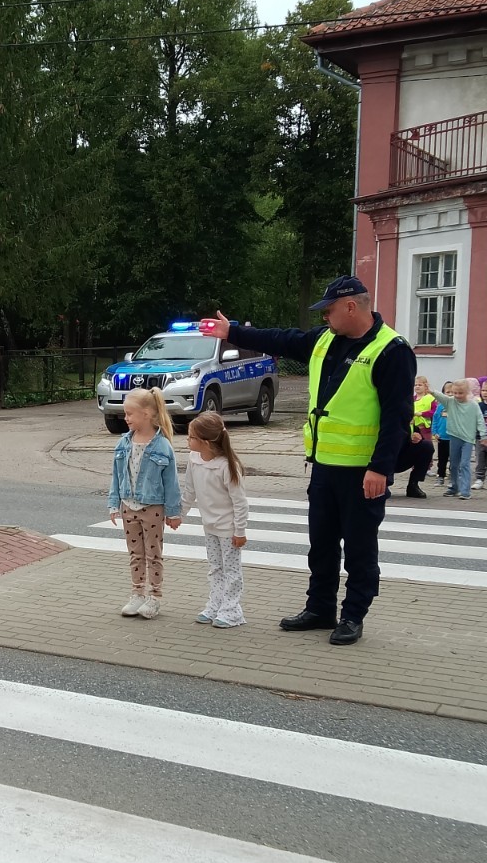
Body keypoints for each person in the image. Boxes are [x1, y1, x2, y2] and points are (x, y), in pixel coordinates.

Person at [202, 276, 415, 646]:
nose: (326, 316)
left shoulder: (390, 350)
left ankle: (352, 616)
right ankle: (319, 608)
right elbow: (280, 338)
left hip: (363, 472)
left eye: (330, 309)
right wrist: (231, 331)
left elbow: (397, 416)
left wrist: (380, 467)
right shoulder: (325, 340)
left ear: (351, 306)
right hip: (324, 467)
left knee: (360, 550)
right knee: (322, 544)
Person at [107, 387, 182, 618]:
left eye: (130, 414)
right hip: (129, 507)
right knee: (135, 554)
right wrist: (113, 504)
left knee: (153, 554)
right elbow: (116, 476)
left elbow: (171, 482)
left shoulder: (162, 446)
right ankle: (137, 593)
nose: (126, 418)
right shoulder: (123, 443)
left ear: (147, 414)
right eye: (125, 414)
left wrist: (173, 512)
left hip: (153, 509)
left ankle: (154, 597)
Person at [181, 411, 249, 628]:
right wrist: (179, 515)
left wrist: (240, 531)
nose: (187, 440)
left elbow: (240, 502)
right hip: (209, 526)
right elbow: (189, 491)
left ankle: (232, 610)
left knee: (231, 571)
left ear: (206, 442)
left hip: (228, 529)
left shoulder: (227, 466)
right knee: (215, 568)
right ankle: (216, 604)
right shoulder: (194, 459)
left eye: (191, 437)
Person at [436, 379, 487, 500]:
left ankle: (465, 491)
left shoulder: (473, 405)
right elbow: (440, 396)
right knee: (453, 465)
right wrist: (430, 390)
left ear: (467, 392)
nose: (457, 396)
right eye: (455, 393)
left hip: (468, 439)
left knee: (464, 464)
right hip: (454, 436)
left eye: (460, 393)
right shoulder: (450, 402)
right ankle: (454, 487)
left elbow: (480, 420)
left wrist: (484, 435)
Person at [396, 375, 436, 498]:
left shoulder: (409, 404)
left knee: (427, 446)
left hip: (403, 453)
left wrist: (417, 436)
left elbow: (415, 430)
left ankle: (414, 485)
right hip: (384, 453)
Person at [430, 388, 450, 486]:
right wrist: (435, 432)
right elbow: (435, 419)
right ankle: (441, 476)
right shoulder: (440, 407)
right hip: (442, 437)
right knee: (442, 459)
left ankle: (453, 478)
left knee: (454, 460)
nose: (450, 394)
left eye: (452, 392)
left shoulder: (457, 407)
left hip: (454, 438)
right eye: (447, 392)